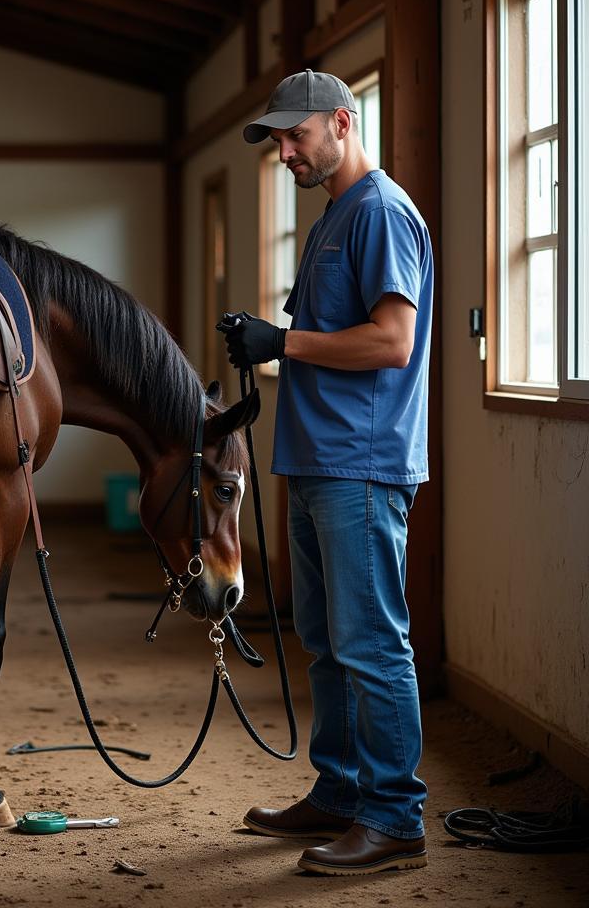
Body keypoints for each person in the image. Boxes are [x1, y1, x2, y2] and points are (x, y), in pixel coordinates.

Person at [224, 69, 433, 876]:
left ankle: (394, 820)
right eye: (277, 140)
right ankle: (341, 792)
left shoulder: (379, 212)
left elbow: (391, 342)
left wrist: (283, 343)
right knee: (325, 643)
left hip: (362, 465)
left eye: (295, 136)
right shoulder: (330, 221)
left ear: (342, 124)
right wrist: (274, 340)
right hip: (315, 460)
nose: (284, 152)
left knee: (372, 643)